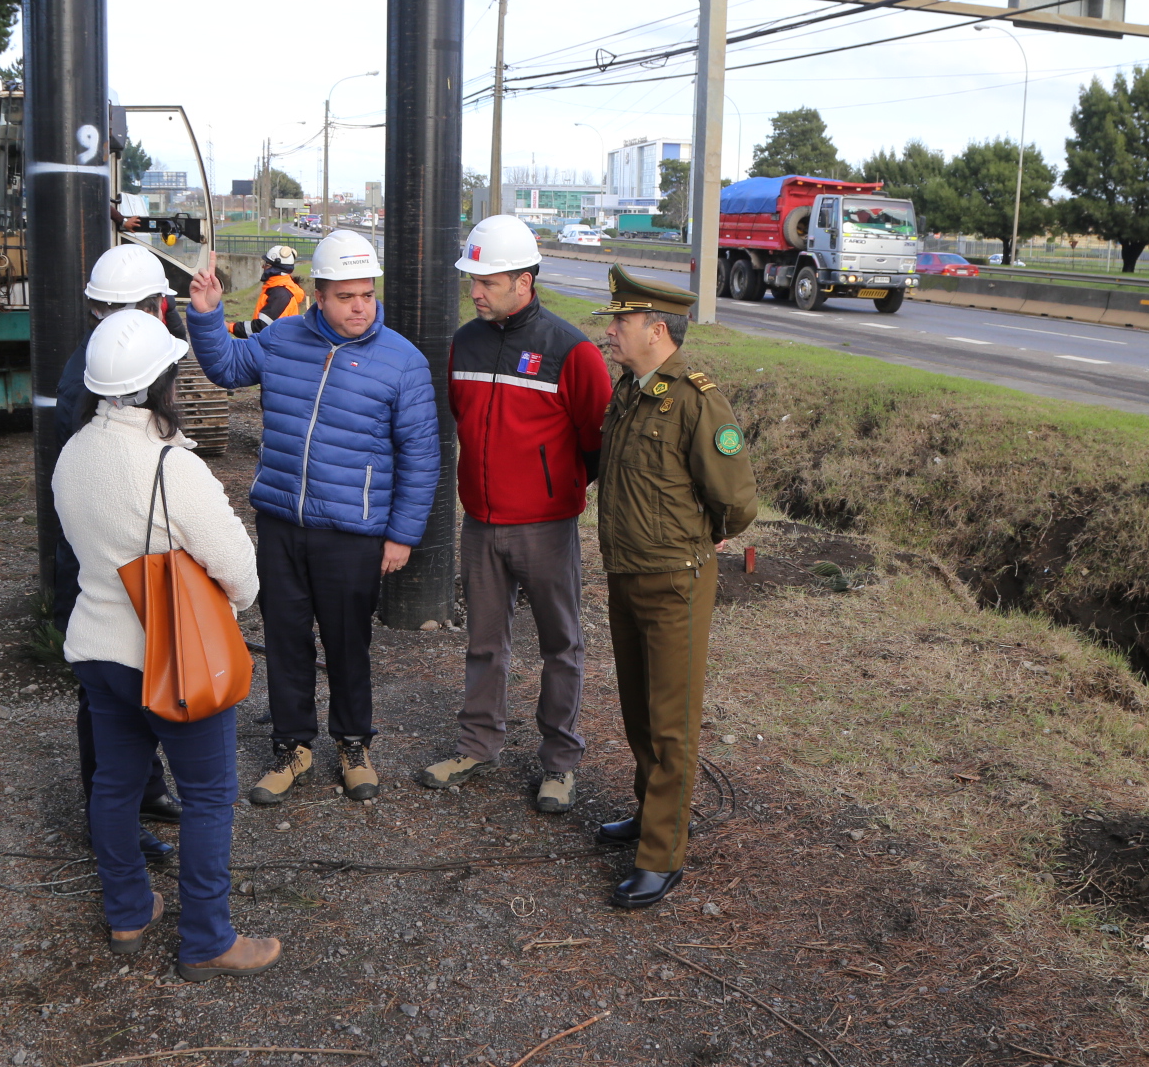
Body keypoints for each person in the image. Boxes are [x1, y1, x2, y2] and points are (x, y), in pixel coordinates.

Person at [53, 308, 279, 980]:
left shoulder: (72, 454)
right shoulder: (168, 466)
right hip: (174, 658)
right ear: (160, 383)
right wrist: (237, 600)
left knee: (115, 783)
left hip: (98, 650)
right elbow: (239, 572)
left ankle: (128, 910)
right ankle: (208, 937)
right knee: (209, 794)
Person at [185, 229, 440, 805]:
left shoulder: (402, 363)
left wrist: (401, 535)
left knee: (348, 643)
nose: (359, 307)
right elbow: (226, 368)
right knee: (286, 640)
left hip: (353, 531)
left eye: (367, 295)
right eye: (346, 296)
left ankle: (354, 744)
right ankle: (291, 747)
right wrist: (206, 314)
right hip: (281, 521)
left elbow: (422, 458)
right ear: (318, 296)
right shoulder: (282, 339)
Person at [417, 216, 609, 814]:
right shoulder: (464, 343)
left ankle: (559, 763)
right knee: (483, 643)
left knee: (561, 646)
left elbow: (596, 439)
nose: (474, 291)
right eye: (471, 279)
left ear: (524, 282)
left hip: (547, 529)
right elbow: (463, 417)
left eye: (487, 281)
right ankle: (478, 745)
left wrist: (552, 490)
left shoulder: (571, 351)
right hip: (479, 526)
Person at [589, 266, 756, 910]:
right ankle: (648, 815)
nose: (611, 332)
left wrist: (707, 534)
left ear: (656, 329)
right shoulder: (630, 391)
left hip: (674, 581)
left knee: (671, 722)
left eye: (621, 322)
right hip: (627, 572)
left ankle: (662, 854)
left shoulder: (695, 398)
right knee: (638, 709)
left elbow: (736, 498)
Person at [54, 243, 189, 856]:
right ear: (155, 304)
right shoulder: (96, 377)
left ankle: (142, 789)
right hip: (108, 559)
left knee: (137, 678)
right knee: (109, 695)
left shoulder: (112, 358)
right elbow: (116, 477)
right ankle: (112, 810)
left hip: (115, 552)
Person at [227, 245, 306, 338]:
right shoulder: (277, 289)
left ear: (275, 267)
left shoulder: (280, 294)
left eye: (267, 264)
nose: (263, 266)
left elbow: (260, 328)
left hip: (275, 349)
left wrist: (230, 327)